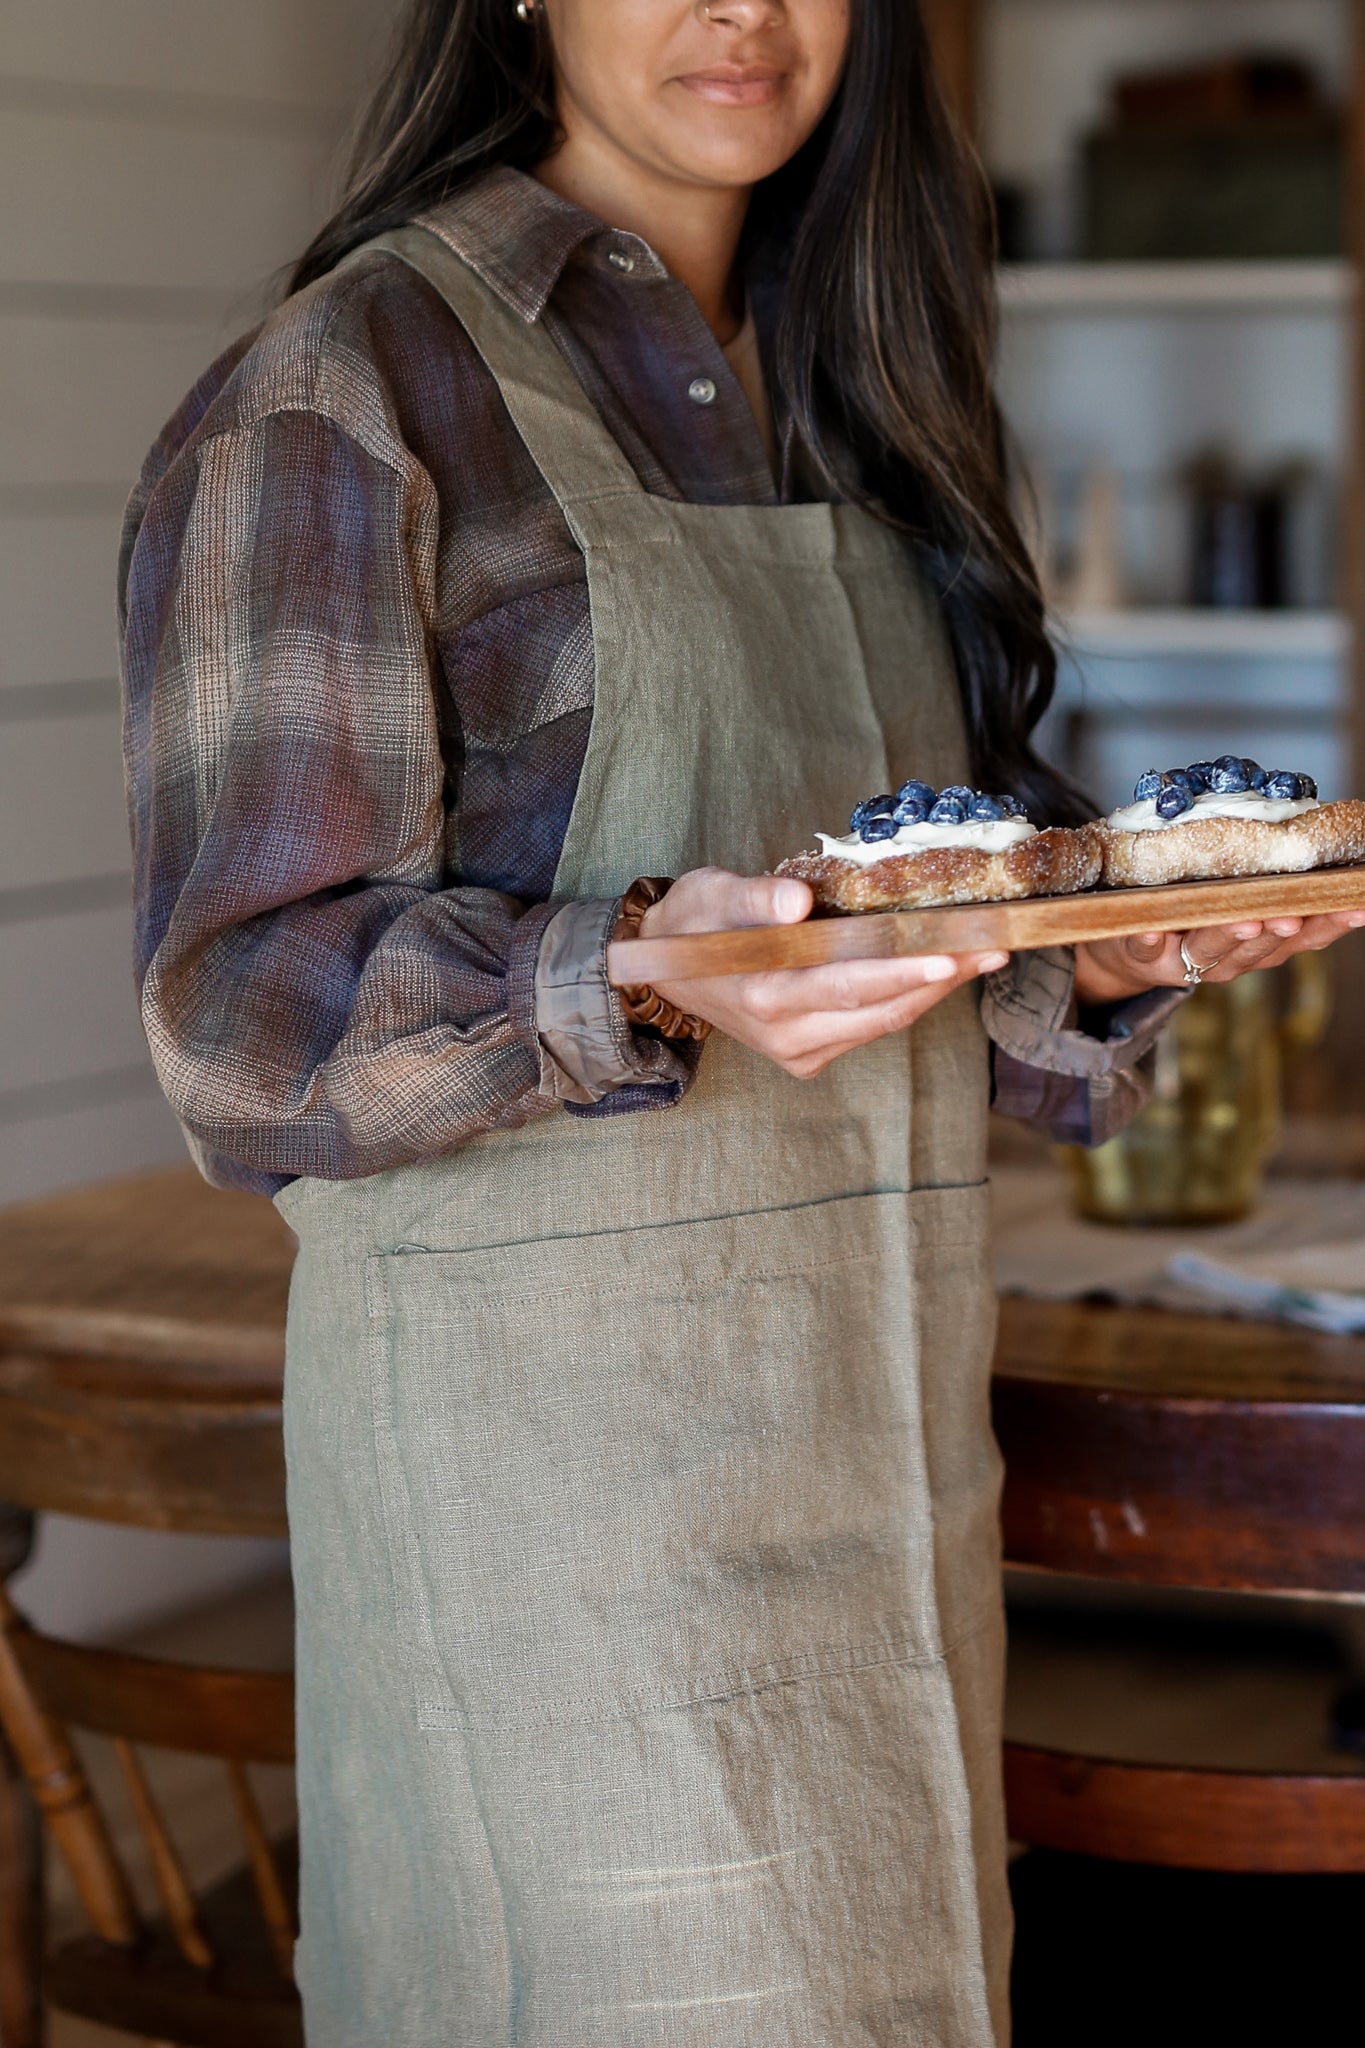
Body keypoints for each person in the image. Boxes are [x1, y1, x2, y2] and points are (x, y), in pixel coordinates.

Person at [118, 2, 1364, 2040]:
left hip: (877, 1458)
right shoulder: (348, 388)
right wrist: (620, 964)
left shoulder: (863, 379)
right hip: (556, 1530)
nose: (740, 7)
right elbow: (237, 1022)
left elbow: (918, 909)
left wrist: (1113, 951)